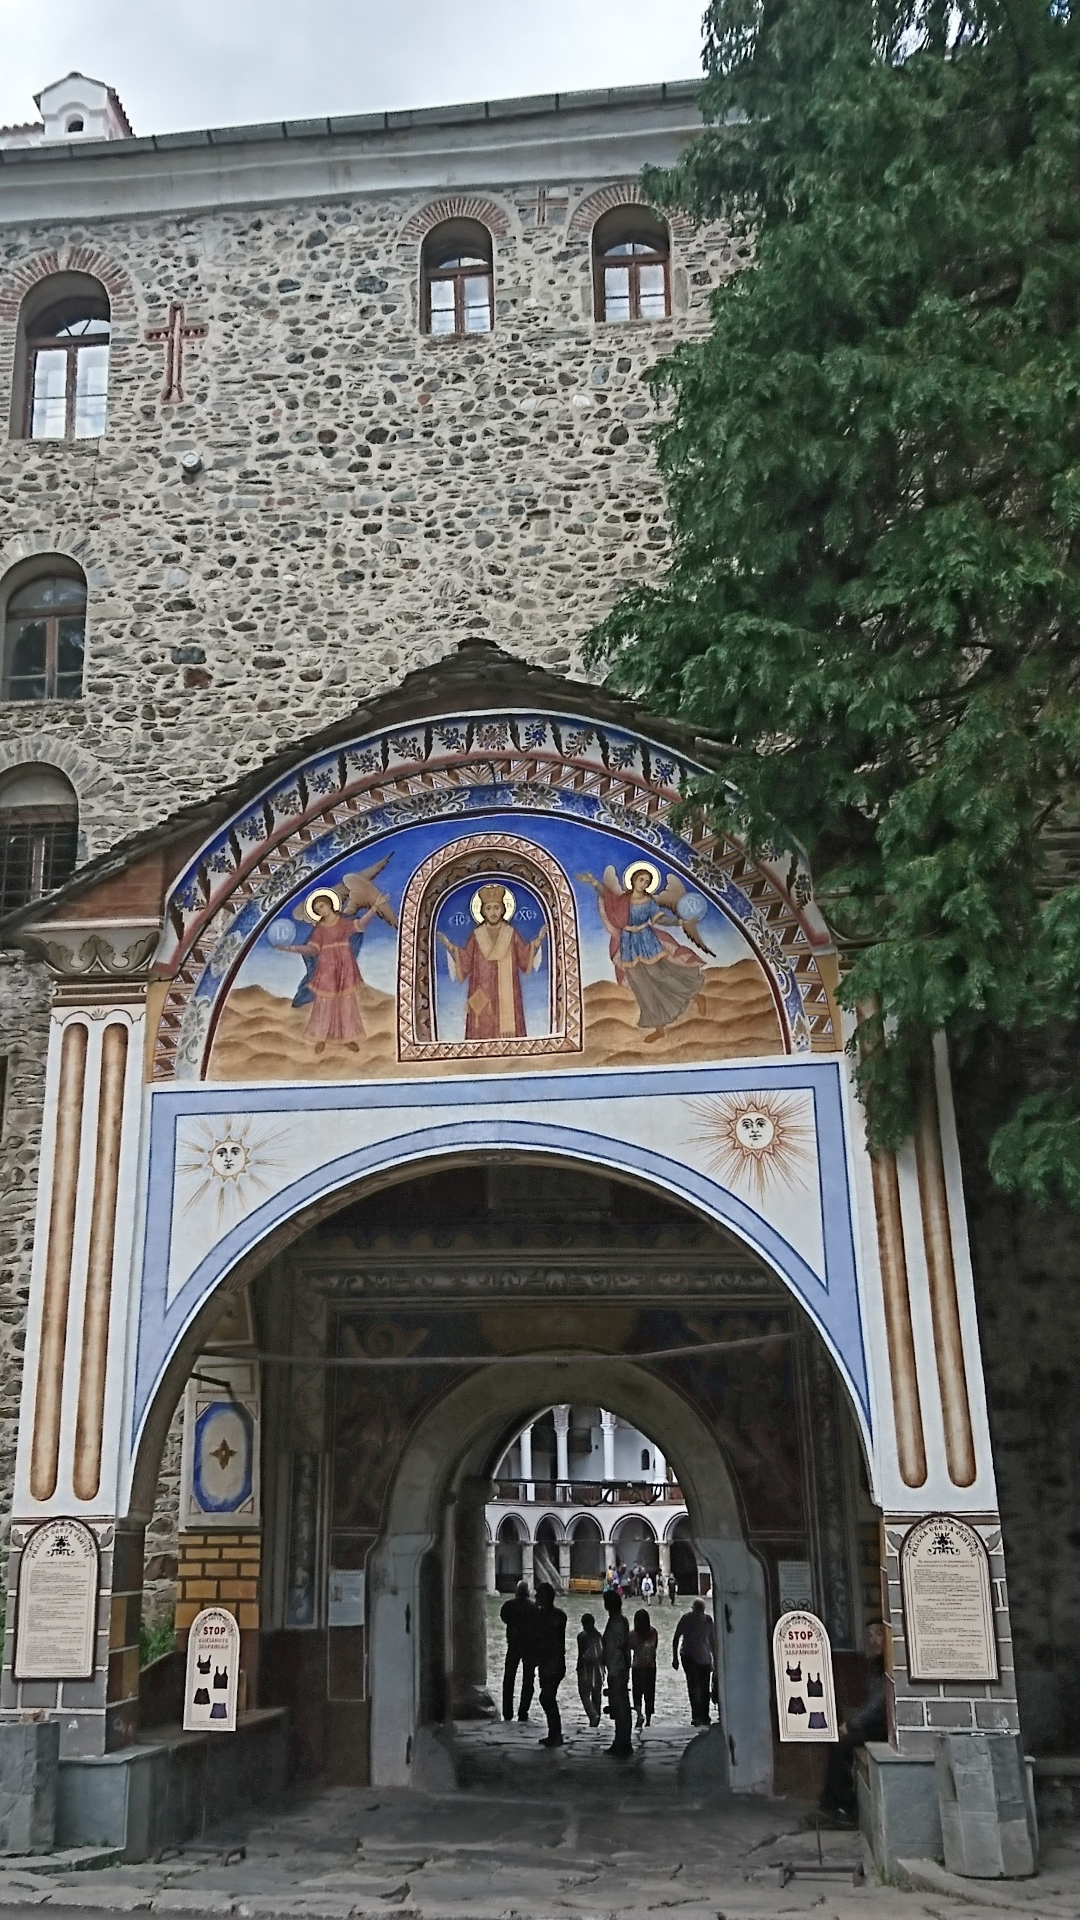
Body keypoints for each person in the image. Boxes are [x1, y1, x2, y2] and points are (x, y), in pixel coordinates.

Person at [577, 864, 709, 1041]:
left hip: (647, 942)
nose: (643, 884)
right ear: (633, 880)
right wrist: (593, 882)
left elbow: (660, 919)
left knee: (660, 975)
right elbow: (607, 897)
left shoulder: (649, 902)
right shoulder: (623, 899)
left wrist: (679, 922)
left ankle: (695, 995)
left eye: (647, 881)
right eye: (641, 880)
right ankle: (658, 1027)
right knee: (641, 987)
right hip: (628, 945)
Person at [437, 884, 547, 1040]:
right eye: (488, 908)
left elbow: (523, 953)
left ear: (503, 909)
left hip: (507, 990)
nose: (493, 912)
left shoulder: (511, 933)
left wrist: (537, 941)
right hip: (482, 989)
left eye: (496, 907)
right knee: (482, 1020)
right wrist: (449, 945)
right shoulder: (477, 935)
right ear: (482, 911)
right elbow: (466, 958)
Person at [817, 1621, 888, 1823]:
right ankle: (830, 1802)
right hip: (874, 1724)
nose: (873, 1641)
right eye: (870, 1636)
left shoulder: (888, 1667)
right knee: (837, 1743)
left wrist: (851, 1724)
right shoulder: (876, 1666)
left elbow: (878, 1704)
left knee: (841, 1745)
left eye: (878, 1635)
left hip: (883, 1727)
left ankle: (845, 1806)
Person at [295, 889, 377, 1053]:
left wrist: (374, 908)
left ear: (330, 905)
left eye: (322, 906)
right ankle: (321, 1038)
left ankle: (347, 1038)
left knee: (346, 1002)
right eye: (317, 910)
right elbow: (312, 950)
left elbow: (359, 925)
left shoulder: (342, 922)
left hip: (344, 966)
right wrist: (291, 948)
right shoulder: (319, 929)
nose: (320, 911)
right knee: (324, 1003)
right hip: (326, 968)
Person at [672, 1598, 718, 1727]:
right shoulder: (704, 1620)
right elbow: (713, 1642)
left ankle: (700, 1715)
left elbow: (676, 1638)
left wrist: (675, 1657)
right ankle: (701, 1715)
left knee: (697, 1687)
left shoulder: (691, 1619)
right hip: (694, 1657)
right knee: (699, 1687)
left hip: (696, 1657)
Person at [534, 1581, 567, 1748]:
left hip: (550, 1662)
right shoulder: (560, 1615)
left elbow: (543, 1639)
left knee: (546, 1697)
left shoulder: (544, 1617)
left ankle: (555, 1734)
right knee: (548, 1697)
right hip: (555, 1661)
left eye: (538, 1595)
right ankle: (554, 1733)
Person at [499, 1579, 537, 1723]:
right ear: (527, 1592)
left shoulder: (508, 1605)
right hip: (529, 1647)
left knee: (509, 1679)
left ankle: (507, 1712)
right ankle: (523, 1711)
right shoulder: (534, 1607)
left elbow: (504, 1617)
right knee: (528, 1680)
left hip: (513, 1645)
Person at [602, 1590, 633, 1757]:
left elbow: (618, 1647)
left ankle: (622, 1742)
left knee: (620, 1707)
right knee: (620, 1706)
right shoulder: (620, 1621)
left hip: (617, 1669)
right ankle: (621, 1741)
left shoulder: (616, 1623)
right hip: (617, 1668)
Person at [630, 1607, 658, 1729]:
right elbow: (655, 1647)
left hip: (637, 1666)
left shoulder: (633, 1634)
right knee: (649, 1693)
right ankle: (648, 1719)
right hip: (650, 1667)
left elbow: (629, 1647)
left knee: (637, 1692)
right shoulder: (653, 1633)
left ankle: (639, 1714)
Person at [576, 1611, 605, 1728]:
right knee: (596, 1694)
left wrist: (578, 1668)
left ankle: (592, 1715)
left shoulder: (582, 1636)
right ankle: (596, 1716)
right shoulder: (599, 1635)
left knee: (584, 1693)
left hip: (586, 1668)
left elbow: (581, 1653)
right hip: (599, 1668)